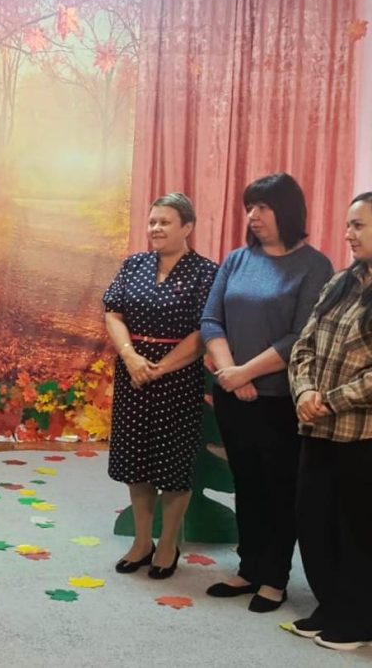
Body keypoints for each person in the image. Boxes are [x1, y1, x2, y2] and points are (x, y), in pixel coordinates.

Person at [200, 172, 333, 612]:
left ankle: (274, 578)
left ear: (287, 211)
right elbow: (211, 320)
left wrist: (244, 373)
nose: (253, 216)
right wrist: (231, 374)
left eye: (263, 207)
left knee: (278, 488)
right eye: (249, 208)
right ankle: (249, 568)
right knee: (246, 483)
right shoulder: (237, 259)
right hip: (233, 395)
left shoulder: (314, 266)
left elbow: (301, 336)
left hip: (279, 401)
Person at [103, 193, 218, 579]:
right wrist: (131, 357)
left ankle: (168, 544)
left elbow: (204, 331)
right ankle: (141, 542)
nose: (155, 228)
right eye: (152, 221)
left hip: (178, 380)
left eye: (165, 222)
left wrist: (160, 367)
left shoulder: (206, 272)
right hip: (133, 375)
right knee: (136, 463)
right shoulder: (133, 265)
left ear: (188, 227)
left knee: (173, 466)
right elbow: (113, 313)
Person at [286, 192, 372, 650]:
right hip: (316, 428)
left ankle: (359, 619)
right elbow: (304, 344)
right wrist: (304, 392)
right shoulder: (341, 281)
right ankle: (333, 604)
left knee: (356, 531)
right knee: (314, 523)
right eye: (348, 224)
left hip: (360, 436)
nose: (348, 234)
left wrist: (330, 401)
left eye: (359, 225)